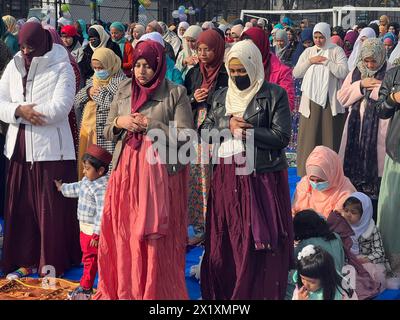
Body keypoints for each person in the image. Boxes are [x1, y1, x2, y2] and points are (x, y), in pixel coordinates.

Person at [93, 40, 193, 300]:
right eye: (137, 65)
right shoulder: (125, 88)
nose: (141, 71)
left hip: (158, 175)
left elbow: (186, 136)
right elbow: (106, 131)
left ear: (158, 66)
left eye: (148, 66)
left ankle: (153, 291)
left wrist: (152, 125)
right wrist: (119, 122)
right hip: (125, 172)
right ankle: (126, 288)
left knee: (150, 235)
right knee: (124, 231)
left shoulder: (176, 93)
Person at [200, 39, 293, 300]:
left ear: (254, 66)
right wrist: (227, 126)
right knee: (227, 233)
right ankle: (227, 289)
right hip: (225, 173)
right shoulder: (221, 96)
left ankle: (254, 291)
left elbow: (281, 136)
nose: (238, 76)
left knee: (256, 236)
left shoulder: (274, 94)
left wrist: (249, 133)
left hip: (259, 176)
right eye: (233, 71)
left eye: (242, 70)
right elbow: (204, 132)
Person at [0, 22, 81, 278]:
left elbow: (61, 107)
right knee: (21, 209)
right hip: (19, 150)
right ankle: (24, 259)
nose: (25, 52)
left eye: (30, 47)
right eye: (22, 46)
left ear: (42, 44)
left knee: (50, 211)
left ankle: (51, 261)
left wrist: (23, 111)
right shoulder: (13, 65)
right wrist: (17, 111)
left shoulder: (61, 65)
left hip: (51, 152)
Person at [184, 29, 228, 246]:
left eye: (207, 50)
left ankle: (217, 225)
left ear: (217, 50)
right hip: (195, 131)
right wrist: (193, 98)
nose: (202, 54)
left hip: (218, 132)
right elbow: (181, 101)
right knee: (197, 178)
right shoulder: (193, 74)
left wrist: (209, 98)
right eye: (199, 49)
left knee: (216, 177)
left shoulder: (227, 74)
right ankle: (201, 226)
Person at [337, 38, 389, 220]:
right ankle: (353, 216)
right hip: (354, 130)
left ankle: (373, 218)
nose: (370, 64)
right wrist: (360, 85)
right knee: (352, 176)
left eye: (373, 60)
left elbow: (390, 99)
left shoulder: (389, 72)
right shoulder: (355, 73)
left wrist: (376, 88)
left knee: (376, 175)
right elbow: (342, 98)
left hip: (379, 131)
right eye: (366, 60)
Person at [53, 144, 111, 299]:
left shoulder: (101, 187)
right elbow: (77, 188)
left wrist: (96, 234)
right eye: (84, 168)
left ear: (100, 171)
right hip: (85, 230)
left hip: (94, 233)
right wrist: (62, 188)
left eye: (87, 168)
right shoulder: (88, 180)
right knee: (89, 258)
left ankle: (86, 288)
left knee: (90, 260)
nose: (84, 172)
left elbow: (101, 213)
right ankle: (94, 286)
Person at [293, 22, 348, 177]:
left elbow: (344, 72)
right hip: (310, 103)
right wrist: (311, 61)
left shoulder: (336, 51)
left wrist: (326, 61)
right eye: (316, 37)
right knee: (309, 138)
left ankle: (330, 172)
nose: (318, 40)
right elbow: (297, 72)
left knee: (329, 137)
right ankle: (306, 172)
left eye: (321, 37)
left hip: (330, 103)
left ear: (327, 36)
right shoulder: (309, 52)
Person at [74, 47, 126, 179]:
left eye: (101, 68)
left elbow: (111, 103)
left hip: (105, 133)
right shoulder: (93, 79)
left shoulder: (122, 82)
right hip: (88, 129)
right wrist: (88, 91)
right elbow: (77, 100)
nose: (98, 71)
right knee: (87, 166)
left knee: (103, 168)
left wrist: (94, 93)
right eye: (95, 68)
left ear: (110, 64)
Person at [375, 61, 400, 275]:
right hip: (398, 150)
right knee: (392, 208)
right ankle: (393, 261)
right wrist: (393, 98)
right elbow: (380, 110)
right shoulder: (394, 74)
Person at [340, 192, 389, 289]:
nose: (348, 215)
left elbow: (380, 253)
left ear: (364, 214)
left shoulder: (371, 229)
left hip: (367, 263)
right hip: (348, 263)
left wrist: (365, 260)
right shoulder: (341, 227)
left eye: (353, 212)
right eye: (346, 211)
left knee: (367, 281)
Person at [292, 146, 357, 218]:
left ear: (332, 174)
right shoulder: (305, 184)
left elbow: (340, 222)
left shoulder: (345, 191)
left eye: (320, 180)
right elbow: (294, 211)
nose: (315, 183)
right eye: (312, 180)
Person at [241, 27, 295, 111]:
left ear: (260, 45)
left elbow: (287, 106)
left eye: (251, 46)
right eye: (244, 47)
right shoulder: (238, 67)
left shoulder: (281, 72)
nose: (247, 50)